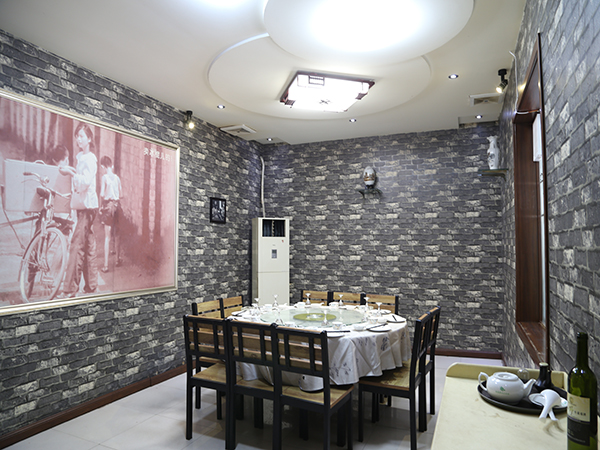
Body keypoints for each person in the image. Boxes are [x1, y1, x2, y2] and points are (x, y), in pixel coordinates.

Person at [59, 123, 99, 297]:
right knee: (88, 245)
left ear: (89, 139)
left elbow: (85, 182)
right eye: (77, 136)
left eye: (82, 136)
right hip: (85, 205)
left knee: (77, 245)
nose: (78, 139)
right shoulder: (81, 156)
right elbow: (80, 177)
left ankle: (70, 289)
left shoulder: (90, 158)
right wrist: (71, 170)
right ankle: (91, 285)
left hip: (88, 206)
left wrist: (71, 174)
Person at [99, 155, 122, 273]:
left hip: (108, 208)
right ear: (111, 165)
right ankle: (117, 259)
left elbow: (102, 194)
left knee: (107, 237)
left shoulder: (104, 178)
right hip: (117, 207)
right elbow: (121, 194)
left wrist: (101, 205)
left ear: (103, 166)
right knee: (117, 235)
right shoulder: (117, 178)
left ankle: (106, 265)